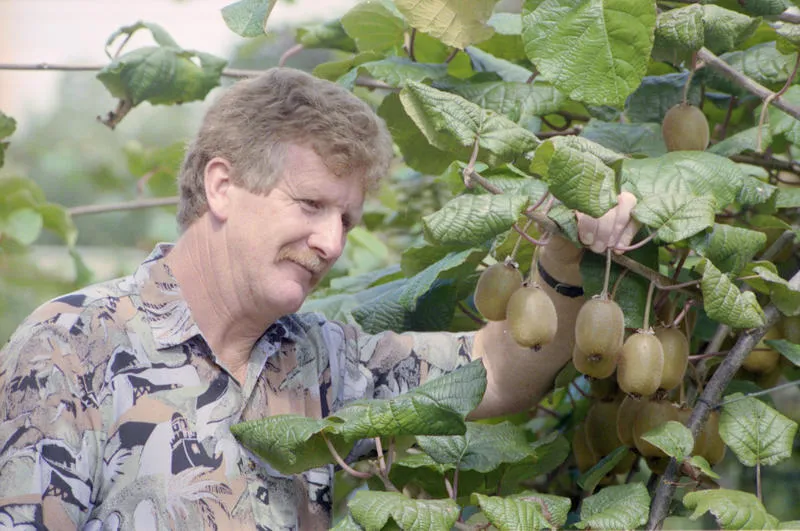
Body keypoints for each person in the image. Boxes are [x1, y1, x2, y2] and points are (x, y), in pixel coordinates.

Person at [0, 67, 639, 530]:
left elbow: (495, 371)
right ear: (221, 186)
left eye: (347, 220)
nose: (331, 243)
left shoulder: (321, 359)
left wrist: (562, 257)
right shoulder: (71, 347)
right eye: (310, 204)